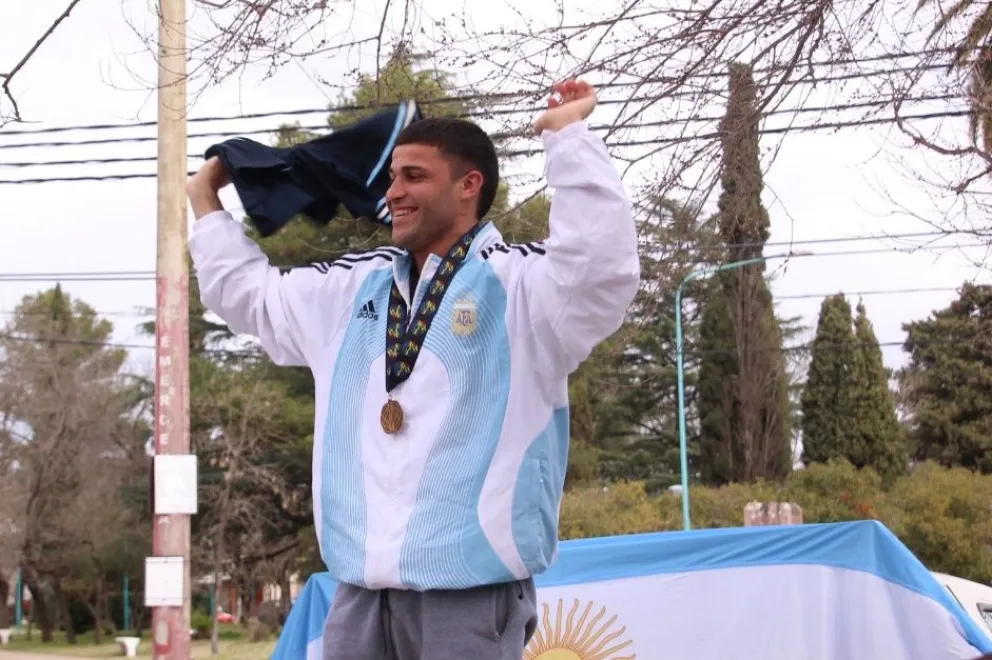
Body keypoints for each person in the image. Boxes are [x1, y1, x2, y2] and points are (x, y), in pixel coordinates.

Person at [186, 78, 641, 659]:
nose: (394, 192)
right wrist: (207, 202)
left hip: (470, 595)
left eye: (415, 177)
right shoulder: (352, 288)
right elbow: (249, 298)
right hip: (359, 593)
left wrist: (567, 137)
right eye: (393, 176)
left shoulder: (525, 288)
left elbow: (601, 268)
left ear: (469, 185)